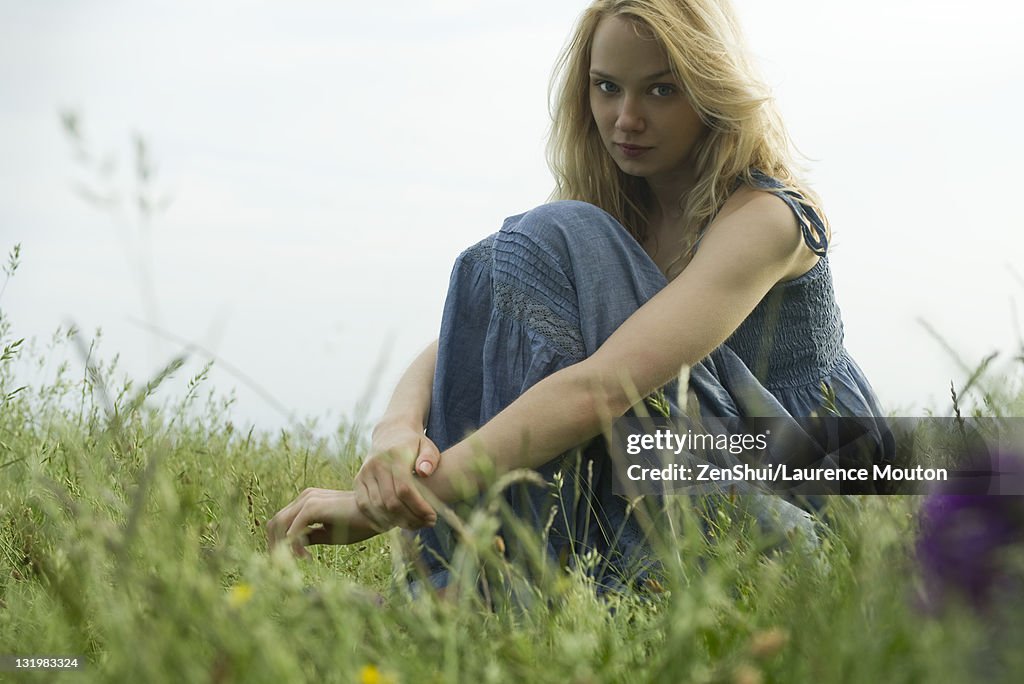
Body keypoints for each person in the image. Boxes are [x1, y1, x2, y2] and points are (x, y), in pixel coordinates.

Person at [267, 0, 891, 595]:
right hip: (673, 463)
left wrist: (392, 507)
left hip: (805, 491)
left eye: (662, 89)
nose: (627, 118)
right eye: (607, 87)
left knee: (554, 234)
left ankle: (482, 586)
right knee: (513, 256)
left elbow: (604, 387)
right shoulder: (618, 212)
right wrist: (396, 434)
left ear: (711, 90)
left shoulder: (767, 218)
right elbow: (483, 325)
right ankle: (481, 580)